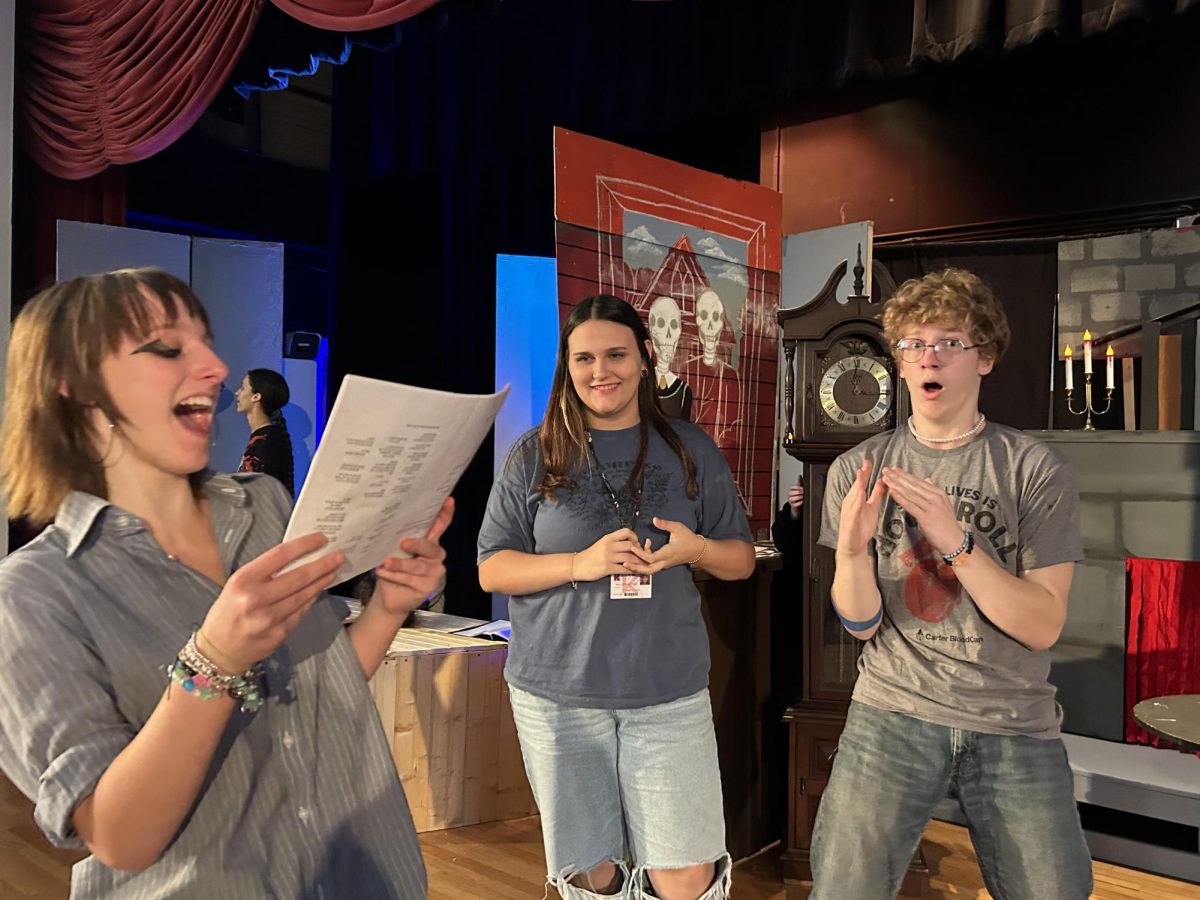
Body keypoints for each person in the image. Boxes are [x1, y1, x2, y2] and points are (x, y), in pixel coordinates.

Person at [0, 268, 453, 898]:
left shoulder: (264, 504)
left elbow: (322, 687)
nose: (214, 366)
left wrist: (387, 609)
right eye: (167, 348)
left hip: (366, 875)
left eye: (207, 342)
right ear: (74, 388)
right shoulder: (31, 593)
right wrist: (213, 661)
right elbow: (119, 836)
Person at [810, 268, 1092, 900]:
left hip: (1011, 717)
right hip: (893, 708)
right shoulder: (857, 469)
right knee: (842, 890)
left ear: (984, 357)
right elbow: (859, 624)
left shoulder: (1033, 468)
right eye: (912, 344)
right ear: (900, 362)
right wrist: (852, 550)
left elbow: (1041, 623)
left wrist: (956, 540)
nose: (926, 357)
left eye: (948, 342)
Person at [477, 294, 755, 900]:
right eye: (583, 359)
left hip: (667, 693)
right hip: (557, 695)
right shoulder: (535, 453)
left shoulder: (690, 448)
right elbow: (491, 569)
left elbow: (739, 560)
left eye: (615, 355)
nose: (599, 372)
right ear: (567, 367)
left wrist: (694, 551)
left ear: (645, 357)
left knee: (685, 876)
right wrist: (580, 563)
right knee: (590, 874)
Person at [235, 367, 295, 495]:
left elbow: (263, 495)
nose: (237, 392)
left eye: (243, 387)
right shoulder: (264, 437)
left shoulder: (268, 440)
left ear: (256, 396)